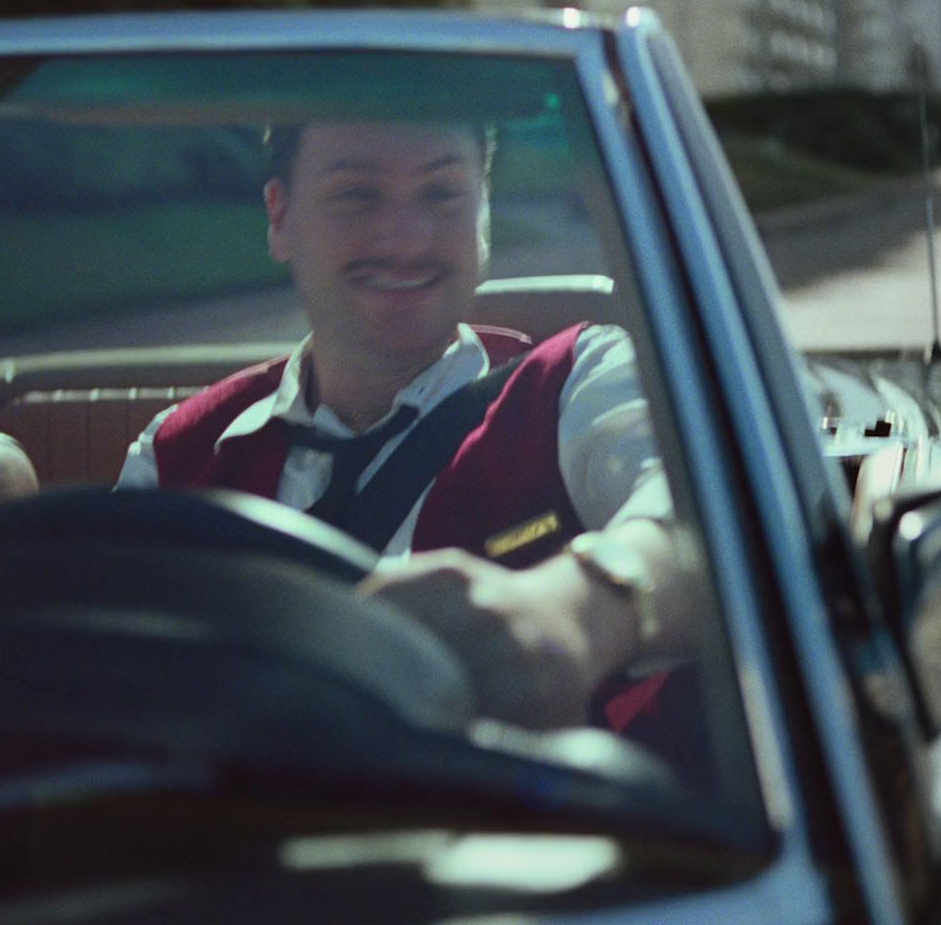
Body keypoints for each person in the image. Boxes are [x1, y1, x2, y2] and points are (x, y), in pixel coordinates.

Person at [117, 118, 707, 735]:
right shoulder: (174, 452)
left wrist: (580, 609)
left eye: (442, 194)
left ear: (483, 213)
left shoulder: (580, 382)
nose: (405, 239)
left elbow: (702, 507)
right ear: (280, 217)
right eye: (356, 195)